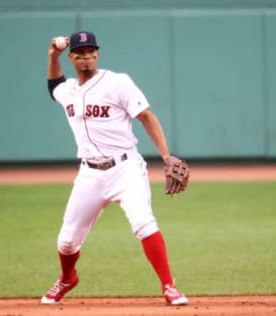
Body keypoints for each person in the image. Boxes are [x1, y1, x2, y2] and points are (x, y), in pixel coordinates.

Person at [41, 31, 189, 306]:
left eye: (91, 53)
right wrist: (52, 55)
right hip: (89, 174)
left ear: (97, 54)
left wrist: (166, 156)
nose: (86, 58)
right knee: (66, 243)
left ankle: (169, 286)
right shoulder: (69, 90)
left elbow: (146, 116)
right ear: (72, 57)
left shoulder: (118, 83)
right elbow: (54, 86)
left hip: (125, 168)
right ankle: (67, 278)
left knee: (144, 223)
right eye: (80, 54)